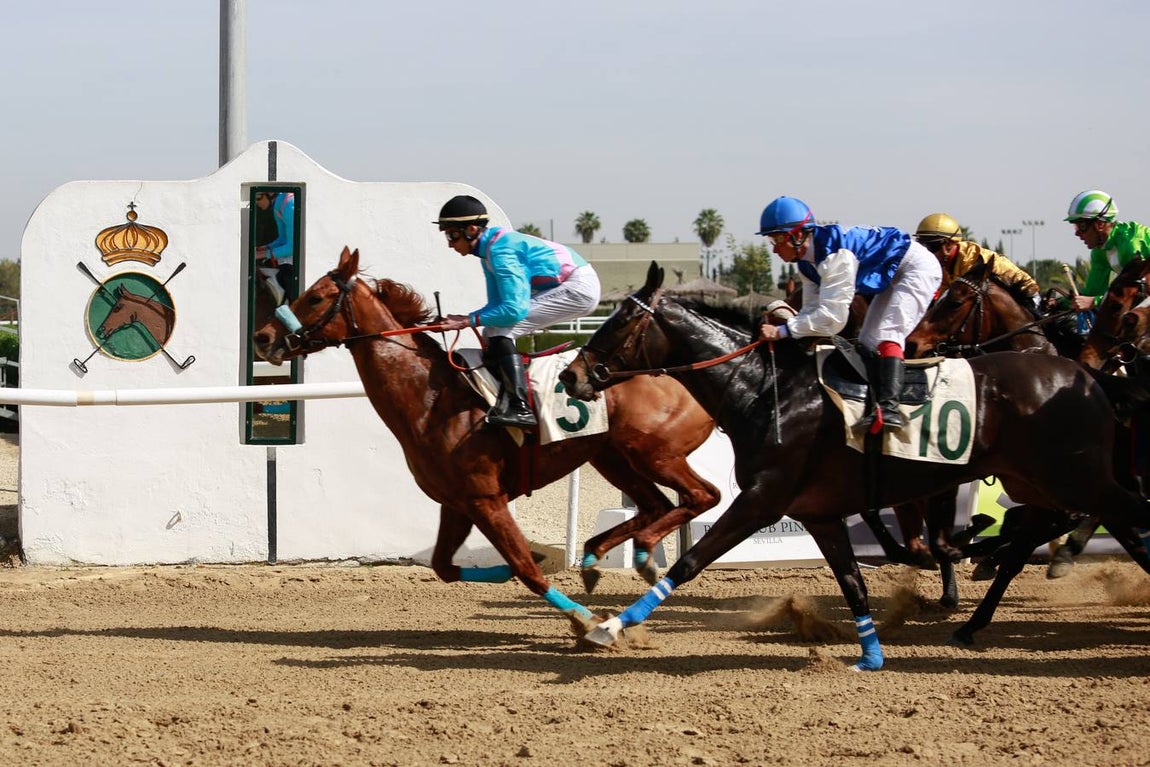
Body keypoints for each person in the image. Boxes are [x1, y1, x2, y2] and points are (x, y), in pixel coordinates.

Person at [757, 196, 941, 431]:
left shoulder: (835, 254)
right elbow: (812, 311)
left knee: (887, 333)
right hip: (895, 269)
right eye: (771, 240)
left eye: (778, 239)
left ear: (798, 235)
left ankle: (890, 410)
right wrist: (792, 327)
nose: (774, 249)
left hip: (916, 268)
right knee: (867, 341)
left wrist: (781, 331)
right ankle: (874, 406)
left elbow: (833, 319)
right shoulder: (806, 262)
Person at [435, 195, 601, 430]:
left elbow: (514, 310)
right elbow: (497, 306)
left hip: (578, 288)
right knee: (491, 331)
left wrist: (467, 321)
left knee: (500, 330)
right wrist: (464, 319)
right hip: (571, 284)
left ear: (471, 230)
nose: (450, 244)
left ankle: (520, 408)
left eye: (452, 235)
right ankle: (506, 398)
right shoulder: (489, 252)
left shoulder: (501, 251)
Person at [914, 213, 1039, 304]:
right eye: (922, 246)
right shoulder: (942, 265)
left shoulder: (971, 262)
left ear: (948, 245)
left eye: (931, 247)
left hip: (1026, 297)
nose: (926, 253)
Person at [1066, 190, 1150, 312]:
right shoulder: (1099, 252)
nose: (1077, 233)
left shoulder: (1131, 244)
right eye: (1075, 226)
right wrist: (1062, 302)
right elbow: (1091, 294)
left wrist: (1095, 301)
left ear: (1100, 224)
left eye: (1081, 226)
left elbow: (1136, 293)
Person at [254, 191, 296, 305]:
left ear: (271, 194)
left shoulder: (289, 205)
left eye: (258, 197)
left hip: (293, 265)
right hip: (286, 263)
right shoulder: (278, 205)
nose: (256, 202)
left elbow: (292, 248)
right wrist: (264, 248)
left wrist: (262, 255)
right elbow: (282, 239)